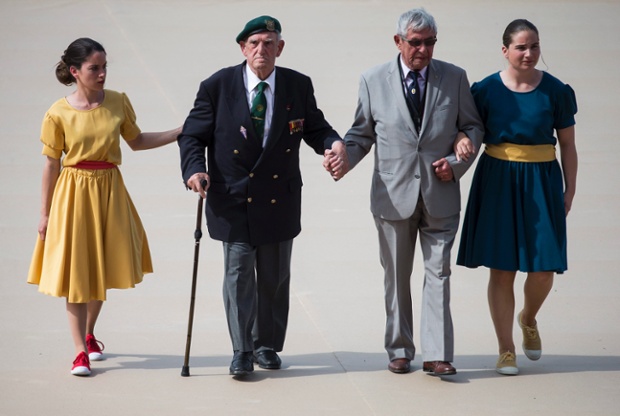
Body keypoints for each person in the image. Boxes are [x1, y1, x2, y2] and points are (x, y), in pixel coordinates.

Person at [178, 15, 344, 377]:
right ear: (242, 48)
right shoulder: (217, 86)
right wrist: (193, 169)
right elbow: (192, 135)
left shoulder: (297, 86)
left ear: (280, 48)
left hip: (278, 198)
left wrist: (334, 144)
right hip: (232, 198)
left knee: (273, 277)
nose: (261, 50)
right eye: (254, 43)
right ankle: (241, 349)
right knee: (238, 276)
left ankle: (266, 344)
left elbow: (315, 127)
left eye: (269, 43)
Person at [324, 8, 483, 375]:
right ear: (398, 42)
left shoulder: (455, 78)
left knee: (438, 273)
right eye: (415, 43)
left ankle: (438, 354)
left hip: (440, 193)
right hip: (392, 196)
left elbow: (473, 127)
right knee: (396, 277)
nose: (423, 50)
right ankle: (399, 349)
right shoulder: (372, 79)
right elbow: (362, 133)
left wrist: (458, 162)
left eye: (429, 43)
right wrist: (343, 158)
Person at [27, 38, 181, 376]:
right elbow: (51, 164)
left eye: (104, 67)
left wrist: (179, 132)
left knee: (101, 268)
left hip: (110, 189)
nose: (102, 74)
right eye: (94, 68)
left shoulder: (117, 102)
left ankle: (89, 333)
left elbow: (137, 141)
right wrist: (45, 212)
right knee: (77, 274)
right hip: (73, 193)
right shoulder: (58, 112)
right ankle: (79, 352)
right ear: (75, 71)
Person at [455, 19, 578, 376]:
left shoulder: (556, 91)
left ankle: (528, 317)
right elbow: (466, 129)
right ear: (505, 50)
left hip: (542, 181)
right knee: (502, 267)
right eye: (521, 47)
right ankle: (506, 348)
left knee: (543, 268)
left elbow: (568, 145)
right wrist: (458, 142)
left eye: (534, 46)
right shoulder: (485, 90)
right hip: (497, 179)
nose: (528, 53)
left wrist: (569, 190)